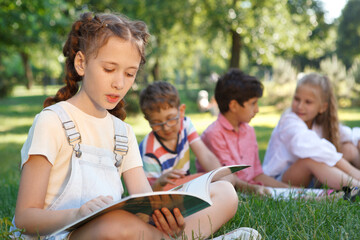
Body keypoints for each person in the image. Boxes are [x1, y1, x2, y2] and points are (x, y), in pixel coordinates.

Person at [10, 12, 243, 240]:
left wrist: (164, 218)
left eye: (130, 74)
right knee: (116, 225)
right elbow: (25, 219)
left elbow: (144, 201)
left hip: (123, 230)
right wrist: (78, 214)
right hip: (64, 234)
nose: (119, 83)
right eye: (109, 69)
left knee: (225, 192)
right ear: (81, 63)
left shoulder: (123, 132)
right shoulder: (52, 121)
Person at [263, 73, 360, 190]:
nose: (300, 106)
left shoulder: (320, 123)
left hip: (312, 179)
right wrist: (350, 170)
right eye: (297, 99)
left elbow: (350, 135)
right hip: (280, 179)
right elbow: (311, 146)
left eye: (308, 102)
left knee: (349, 147)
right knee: (311, 160)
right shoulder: (289, 120)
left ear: (322, 107)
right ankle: (355, 187)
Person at [201, 69, 289, 195]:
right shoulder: (213, 134)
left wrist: (290, 189)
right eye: (253, 104)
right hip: (225, 194)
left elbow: (256, 174)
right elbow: (228, 179)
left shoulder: (249, 131)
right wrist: (255, 190)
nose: (257, 109)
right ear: (234, 106)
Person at [139, 81, 230, 191]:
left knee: (226, 177)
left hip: (185, 184)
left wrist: (222, 177)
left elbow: (206, 156)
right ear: (148, 120)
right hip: (164, 192)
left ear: (181, 111)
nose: (166, 127)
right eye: (157, 123)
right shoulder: (149, 151)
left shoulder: (185, 124)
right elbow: (147, 193)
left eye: (171, 119)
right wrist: (160, 182)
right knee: (213, 182)